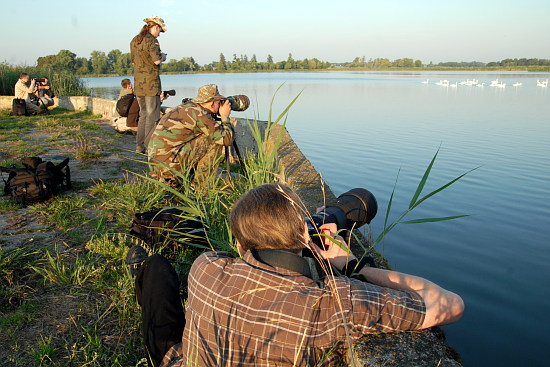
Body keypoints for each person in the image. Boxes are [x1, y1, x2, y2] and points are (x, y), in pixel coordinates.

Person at [126, 183, 465, 367]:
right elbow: (450, 305)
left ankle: (140, 265)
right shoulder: (334, 305)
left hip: (182, 360)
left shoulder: (206, 267)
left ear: (239, 241)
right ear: (304, 236)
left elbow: (255, 270)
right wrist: (353, 267)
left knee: (155, 269)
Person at [147, 84, 235, 186]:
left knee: (206, 135)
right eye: (219, 102)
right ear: (212, 103)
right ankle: (201, 188)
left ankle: (176, 180)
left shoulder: (184, 107)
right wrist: (225, 117)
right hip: (168, 166)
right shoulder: (199, 114)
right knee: (214, 139)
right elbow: (226, 139)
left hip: (156, 164)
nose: (220, 105)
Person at [130, 16, 168, 154]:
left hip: (139, 84)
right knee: (153, 117)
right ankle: (149, 147)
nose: (160, 34)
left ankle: (139, 146)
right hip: (151, 85)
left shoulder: (135, 40)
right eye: (160, 31)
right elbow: (157, 60)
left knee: (143, 115)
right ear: (156, 27)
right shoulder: (152, 41)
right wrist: (163, 56)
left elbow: (133, 62)